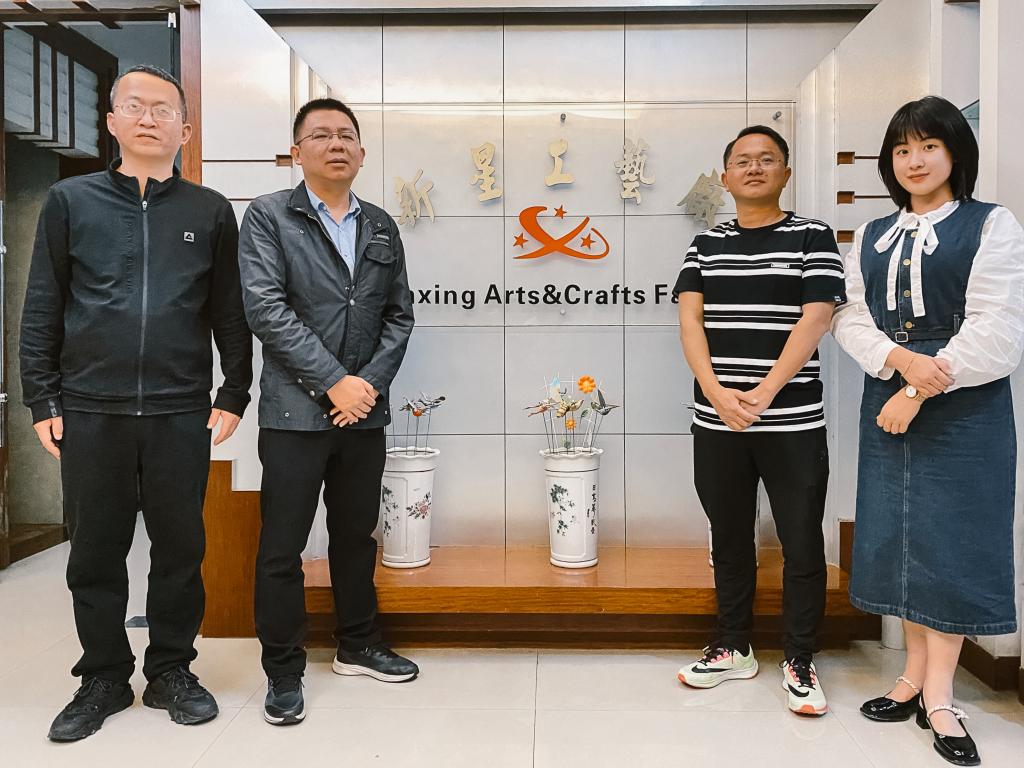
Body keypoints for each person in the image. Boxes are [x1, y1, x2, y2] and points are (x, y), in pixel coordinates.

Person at [20, 65, 253, 742]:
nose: (149, 118)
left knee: (181, 548)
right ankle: (102, 676)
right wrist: (42, 396)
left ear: (185, 129)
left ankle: (172, 670)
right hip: (91, 408)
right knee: (95, 552)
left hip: (181, 410)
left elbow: (229, 310)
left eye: (163, 109)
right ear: (112, 122)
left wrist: (234, 390)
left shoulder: (209, 211)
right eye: (136, 106)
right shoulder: (70, 201)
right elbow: (43, 306)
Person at [831, 95, 1023, 766]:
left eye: (928, 147)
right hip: (890, 392)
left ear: (955, 153)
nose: (914, 161)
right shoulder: (872, 233)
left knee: (953, 543)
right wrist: (898, 361)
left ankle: (940, 696)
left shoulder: (991, 223)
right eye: (902, 150)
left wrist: (917, 386)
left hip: (963, 406)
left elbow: (998, 328)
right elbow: (850, 316)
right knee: (902, 540)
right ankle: (912, 677)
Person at [238, 97, 417, 727]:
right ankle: (283, 671)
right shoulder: (268, 216)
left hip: (362, 415)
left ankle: (358, 644)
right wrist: (334, 382)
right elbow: (266, 309)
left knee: (355, 537)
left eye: (346, 135)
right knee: (282, 548)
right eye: (320, 135)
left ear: (362, 153)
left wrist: (364, 387)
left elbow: (399, 316)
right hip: (294, 415)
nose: (336, 144)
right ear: (297, 152)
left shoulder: (381, 225)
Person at [673, 125, 845, 716]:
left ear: (785, 173)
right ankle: (733, 646)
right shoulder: (705, 245)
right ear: (725, 178)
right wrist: (717, 393)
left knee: (801, 541)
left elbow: (817, 317)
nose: (754, 168)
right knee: (728, 537)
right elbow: (690, 323)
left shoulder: (812, 235)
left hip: (792, 421)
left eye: (767, 159)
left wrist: (765, 393)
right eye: (742, 161)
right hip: (717, 421)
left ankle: (799, 656)